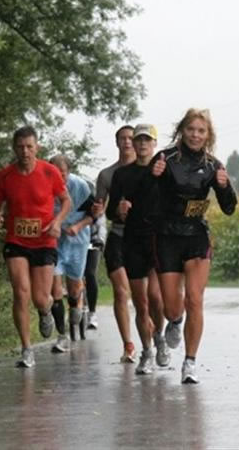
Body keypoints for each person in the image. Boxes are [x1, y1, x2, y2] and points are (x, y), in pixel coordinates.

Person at [150, 109, 237, 383]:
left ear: (208, 135)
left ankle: (190, 362)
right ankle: (175, 321)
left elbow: (229, 208)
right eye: (191, 129)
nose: (195, 135)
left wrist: (224, 186)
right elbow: (144, 198)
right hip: (167, 236)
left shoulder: (213, 165)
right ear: (182, 130)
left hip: (196, 236)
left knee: (195, 299)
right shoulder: (163, 159)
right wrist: (153, 176)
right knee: (172, 308)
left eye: (201, 131)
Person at [0, 126, 71, 368]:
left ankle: (45, 311)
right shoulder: (4, 176)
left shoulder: (49, 172)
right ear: (14, 149)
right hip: (16, 241)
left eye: (29, 147)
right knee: (21, 292)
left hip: (44, 241)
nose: (25, 151)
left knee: (40, 298)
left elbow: (66, 201)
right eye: (20, 147)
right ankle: (27, 349)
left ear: (37, 148)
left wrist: (58, 221)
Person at [107, 124, 170, 375]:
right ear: (133, 143)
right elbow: (111, 211)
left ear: (154, 144)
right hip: (132, 240)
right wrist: (119, 210)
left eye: (147, 140)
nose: (142, 144)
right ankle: (146, 351)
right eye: (139, 140)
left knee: (155, 297)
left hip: (157, 239)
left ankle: (160, 336)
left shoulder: (164, 170)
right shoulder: (122, 175)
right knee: (141, 302)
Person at [93, 125, 138, 363]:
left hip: (142, 238)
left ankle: (151, 333)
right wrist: (96, 210)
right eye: (123, 138)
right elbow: (100, 207)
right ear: (117, 142)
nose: (127, 142)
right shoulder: (106, 175)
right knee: (121, 292)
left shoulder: (150, 171)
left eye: (131, 138)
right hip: (118, 236)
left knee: (145, 297)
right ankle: (128, 344)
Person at [49, 155, 95, 353]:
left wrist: (78, 226)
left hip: (78, 240)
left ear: (69, 172)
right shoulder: (45, 185)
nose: (59, 178)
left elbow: (93, 215)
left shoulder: (80, 186)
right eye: (55, 174)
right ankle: (62, 336)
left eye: (63, 174)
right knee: (55, 289)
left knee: (74, 288)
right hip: (55, 241)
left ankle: (77, 302)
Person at [83, 179, 106, 331]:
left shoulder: (97, 208)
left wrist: (99, 241)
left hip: (93, 241)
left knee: (90, 273)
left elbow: (101, 227)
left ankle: (92, 312)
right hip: (74, 243)